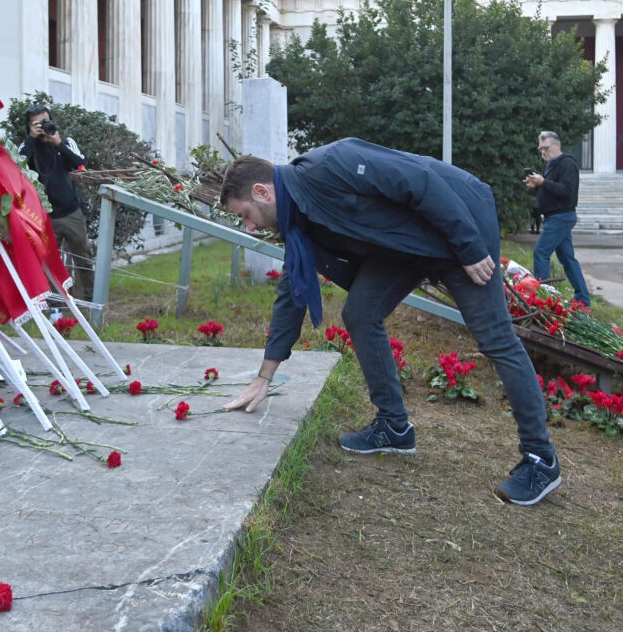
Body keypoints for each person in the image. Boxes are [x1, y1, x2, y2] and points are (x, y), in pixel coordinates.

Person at [220, 138, 561, 506]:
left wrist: (470, 246)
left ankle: (540, 459)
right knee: (360, 313)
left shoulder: (334, 162)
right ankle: (394, 427)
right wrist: (264, 377)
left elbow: (421, 182)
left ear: (262, 192)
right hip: (406, 245)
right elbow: (291, 295)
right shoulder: (297, 223)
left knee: (495, 337)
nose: (249, 227)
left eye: (246, 215)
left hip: (459, 221)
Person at [19, 104, 94, 301]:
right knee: (49, 264)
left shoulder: (66, 142)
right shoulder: (27, 146)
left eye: (45, 122)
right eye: (37, 124)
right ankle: (55, 308)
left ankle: (90, 302)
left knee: (84, 259)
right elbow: (16, 167)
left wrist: (58, 143)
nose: (43, 127)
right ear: (29, 127)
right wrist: (31, 139)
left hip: (71, 212)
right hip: (43, 217)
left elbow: (81, 165)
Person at [524, 131, 591, 307]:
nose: (543, 152)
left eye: (546, 148)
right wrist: (536, 186)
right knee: (568, 259)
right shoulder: (552, 165)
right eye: (540, 149)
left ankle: (541, 300)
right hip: (556, 216)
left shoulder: (567, 163)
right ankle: (582, 299)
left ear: (556, 145)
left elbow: (567, 191)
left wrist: (543, 182)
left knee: (541, 253)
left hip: (561, 217)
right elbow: (553, 191)